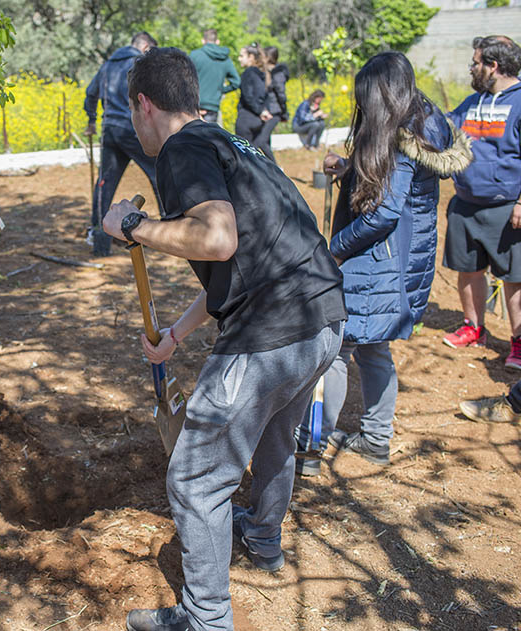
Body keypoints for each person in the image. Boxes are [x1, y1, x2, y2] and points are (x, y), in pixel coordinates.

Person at [103, 47, 347, 631]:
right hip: (323, 320)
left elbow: (216, 240)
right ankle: (263, 539)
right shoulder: (237, 145)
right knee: (271, 442)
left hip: (272, 335)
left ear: (143, 104)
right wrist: (176, 336)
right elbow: (243, 266)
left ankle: (206, 618)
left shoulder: (183, 148)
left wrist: (132, 225)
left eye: (132, 112)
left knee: (193, 478)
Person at [294, 53, 472, 476]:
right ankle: (375, 438)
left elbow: (382, 213)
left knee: (335, 348)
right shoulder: (424, 120)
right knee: (373, 346)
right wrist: (350, 168)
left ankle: (309, 446)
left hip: (377, 260)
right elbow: (390, 186)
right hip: (398, 257)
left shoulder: (404, 135)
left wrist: (333, 251)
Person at [441, 36, 521, 370]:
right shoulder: (471, 102)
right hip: (466, 204)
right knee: (468, 269)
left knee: (515, 276)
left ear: (493, 66)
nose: (471, 68)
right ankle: (473, 326)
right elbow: (444, 129)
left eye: (476, 62)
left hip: (509, 208)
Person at [84, 31, 159, 256]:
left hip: (110, 130)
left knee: (104, 183)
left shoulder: (107, 65)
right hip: (133, 129)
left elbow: (90, 93)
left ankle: (99, 240)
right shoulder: (139, 63)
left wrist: (91, 120)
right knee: (160, 172)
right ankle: (172, 226)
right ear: (144, 46)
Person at [235, 43, 277, 162]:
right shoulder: (262, 74)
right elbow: (265, 96)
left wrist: (259, 110)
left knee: (244, 159)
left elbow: (247, 96)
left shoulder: (248, 73)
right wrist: (263, 111)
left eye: (242, 56)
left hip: (246, 120)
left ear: (251, 57)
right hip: (258, 120)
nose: (239, 59)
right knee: (257, 156)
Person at [188, 28, 240, 124]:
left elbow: (183, 77)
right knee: (208, 137)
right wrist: (220, 90)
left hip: (194, 104)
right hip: (212, 105)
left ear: (203, 41)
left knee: (191, 137)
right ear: (217, 41)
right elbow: (236, 82)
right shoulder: (225, 59)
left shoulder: (195, 55)